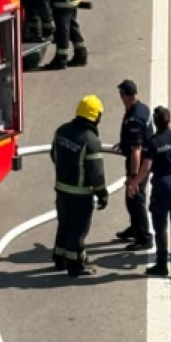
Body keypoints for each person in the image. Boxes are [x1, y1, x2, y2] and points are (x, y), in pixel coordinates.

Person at [128, 106, 171, 276]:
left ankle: (162, 264)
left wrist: (134, 182)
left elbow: (146, 167)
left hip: (163, 183)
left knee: (160, 226)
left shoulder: (152, 142)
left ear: (156, 122)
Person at [51, 95, 109, 276]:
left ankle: (59, 258)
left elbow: (54, 155)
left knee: (64, 224)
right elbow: (96, 173)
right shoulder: (91, 141)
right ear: (96, 116)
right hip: (81, 193)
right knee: (78, 229)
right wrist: (102, 193)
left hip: (61, 190)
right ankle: (75, 265)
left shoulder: (61, 131)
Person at [112, 79, 153, 250]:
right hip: (141, 159)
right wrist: (123, 143)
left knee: (135, 198)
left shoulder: (135, 118)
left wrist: (133, 178)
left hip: (139, 163)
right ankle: (135, 228)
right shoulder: (141, 108)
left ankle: (144, 237)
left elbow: (137, 150)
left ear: (125, 95)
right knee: (131, 200)